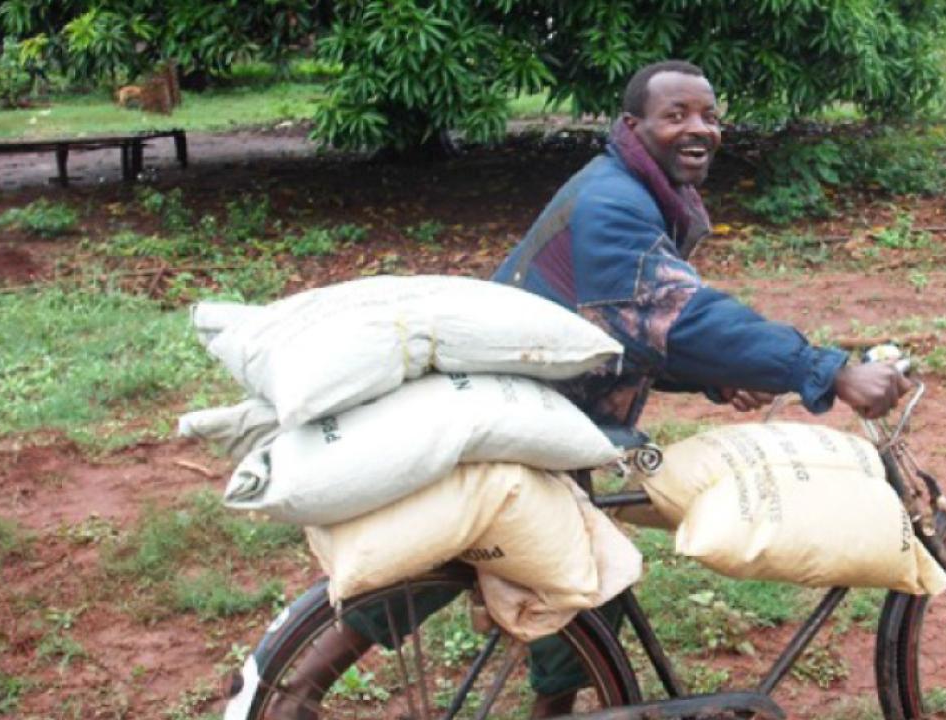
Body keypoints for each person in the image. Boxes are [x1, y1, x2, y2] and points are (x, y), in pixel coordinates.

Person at [261, 60, 910, 719]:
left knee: (575, 576)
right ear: (633, 125)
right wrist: (827, 370)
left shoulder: (634, 189)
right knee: (472, 551)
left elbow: (622, 329)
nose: (699, 129)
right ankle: (300, 691)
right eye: (676, 114)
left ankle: (550, 706)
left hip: (552, 410)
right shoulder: (614, 205)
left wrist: (717, 374)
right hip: (532, 414)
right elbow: (682, 315)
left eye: (710, 116)